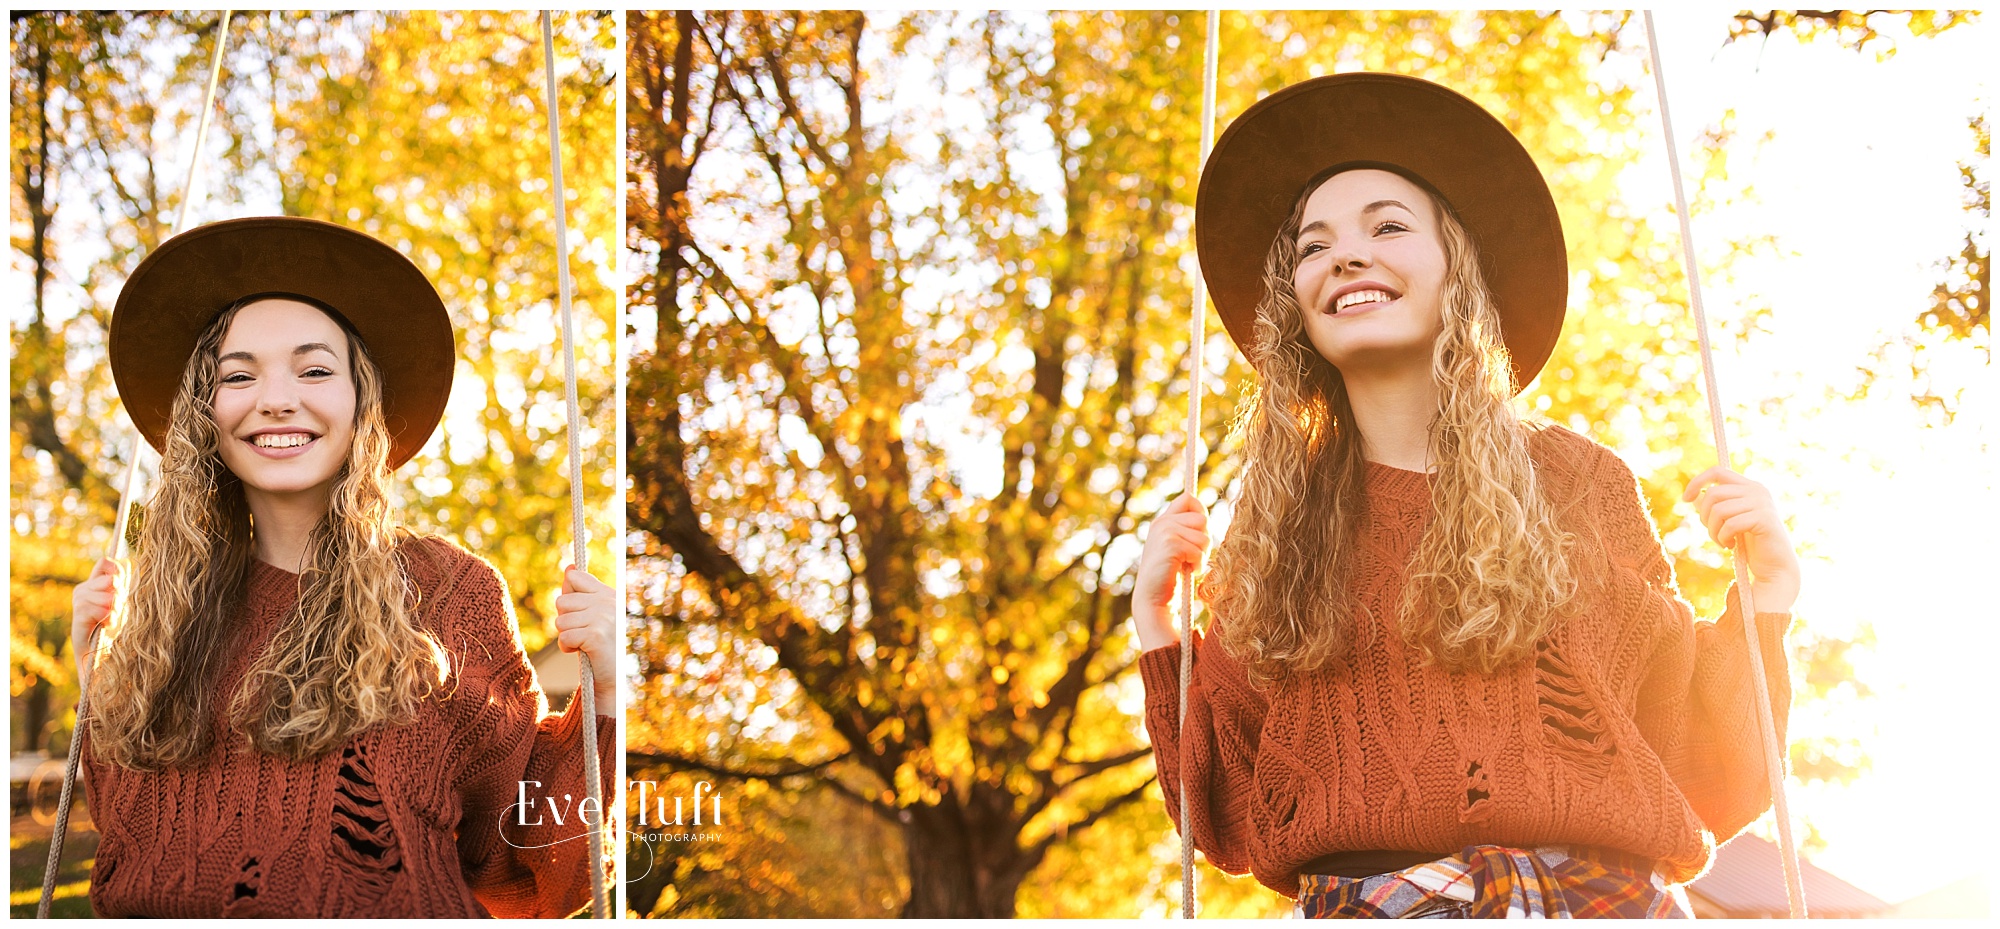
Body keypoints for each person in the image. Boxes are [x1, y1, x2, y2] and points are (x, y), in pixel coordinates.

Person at [1132, 74, 1798, 918]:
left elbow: (1702, 763)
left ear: (1460, 266)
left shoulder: (1580, 483)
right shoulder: (1276, 530)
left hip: (1601, 902)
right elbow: (1227, 814)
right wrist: (1160, 633)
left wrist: (1766, 600)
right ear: (1291, 305)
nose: (1345, 255)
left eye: (1388, 226)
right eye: (1312, 245)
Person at [67, 216, 616, 918]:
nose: (276, 398)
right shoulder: (164, 608)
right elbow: (133, 841)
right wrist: (98, 680)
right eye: (239, 375)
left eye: (315, 368)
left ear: (364, 403)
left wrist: (604, 694)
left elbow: (539, 871)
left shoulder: (447, 594)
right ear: (204, 411)